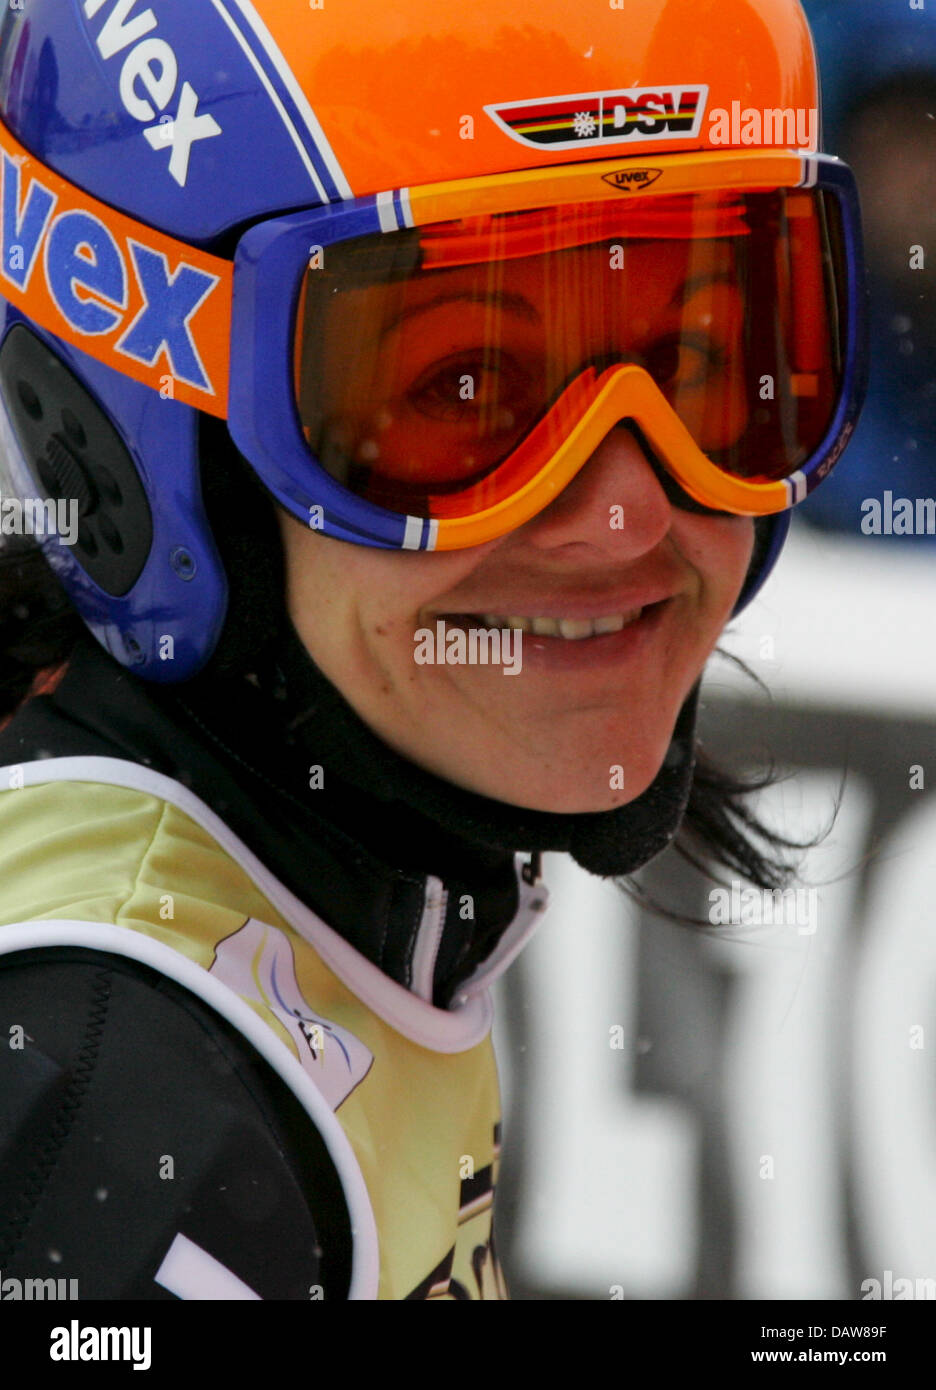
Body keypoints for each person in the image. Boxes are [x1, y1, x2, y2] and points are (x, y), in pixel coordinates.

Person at [0, 0, 866, 1300]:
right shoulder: (108, 1101)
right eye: (462, 394)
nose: (625, 510)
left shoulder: (321, 915)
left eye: (700, 364)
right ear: (146, 431)